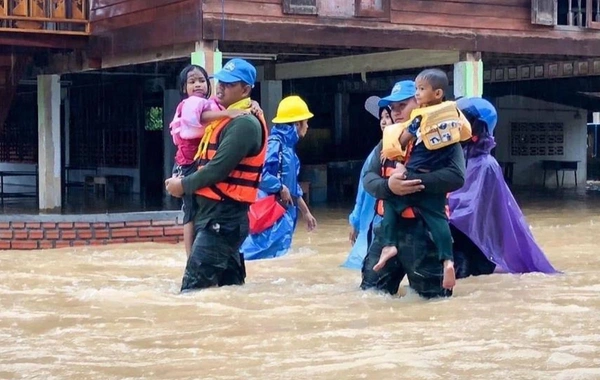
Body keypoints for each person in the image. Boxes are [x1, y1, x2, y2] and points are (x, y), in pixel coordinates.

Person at [165, 58, 269, 292]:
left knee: (192, 291)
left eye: (229, 84)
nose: (220, 86)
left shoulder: (244, 124)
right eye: (220, 81)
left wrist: (182, 185)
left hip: (223, 218)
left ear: (245, 89)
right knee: (229, 290)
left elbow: (218, 169)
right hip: (217, 216)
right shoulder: (223, 114)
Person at [360, 80, 467, 299]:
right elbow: (368, 179)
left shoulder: (443, 138)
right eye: (393, 108)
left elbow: (457, 177)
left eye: (402, 105)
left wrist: (412, 180)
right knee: (370, 295)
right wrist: (389, 186)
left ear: (418, 103)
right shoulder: (388, 141)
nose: (396, 112)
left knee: (434, 301)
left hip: (424, 231)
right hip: (388, 233)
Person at [449, 97, 558, 276]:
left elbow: (471, 208)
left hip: (475, 247)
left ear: (478, 127)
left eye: (462, 120)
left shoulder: (486, 165)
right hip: (457, 242)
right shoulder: (457, 158)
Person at [169, 64, 250, 258]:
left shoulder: (211, 103)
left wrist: (250, 104)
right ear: (184, 88)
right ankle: (190, 257)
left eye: (202, 80)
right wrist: (228, 114)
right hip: (187, 165)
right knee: (189, 214)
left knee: (198, 212)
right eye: (192, 81)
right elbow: (200, 118)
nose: (198, 85)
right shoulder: (189, 104)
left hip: (199, 164)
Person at [240, 96, 317, 260]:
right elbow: (260, 175)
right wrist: (280, 187)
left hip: (283, 218)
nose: (308, 126)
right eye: (306, 121)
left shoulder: (289, 149)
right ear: (297, 124)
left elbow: (293, 188)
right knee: (259, 256)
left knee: (276, 258)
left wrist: (306, 213)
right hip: (271, 216)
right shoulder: (275, 144)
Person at [342, 98, 393, 269]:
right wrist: (355, 222)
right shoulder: (376, 153)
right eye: (382, 117)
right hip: (371, 222)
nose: (384, 121)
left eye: (388, 116)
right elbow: (362, 192)